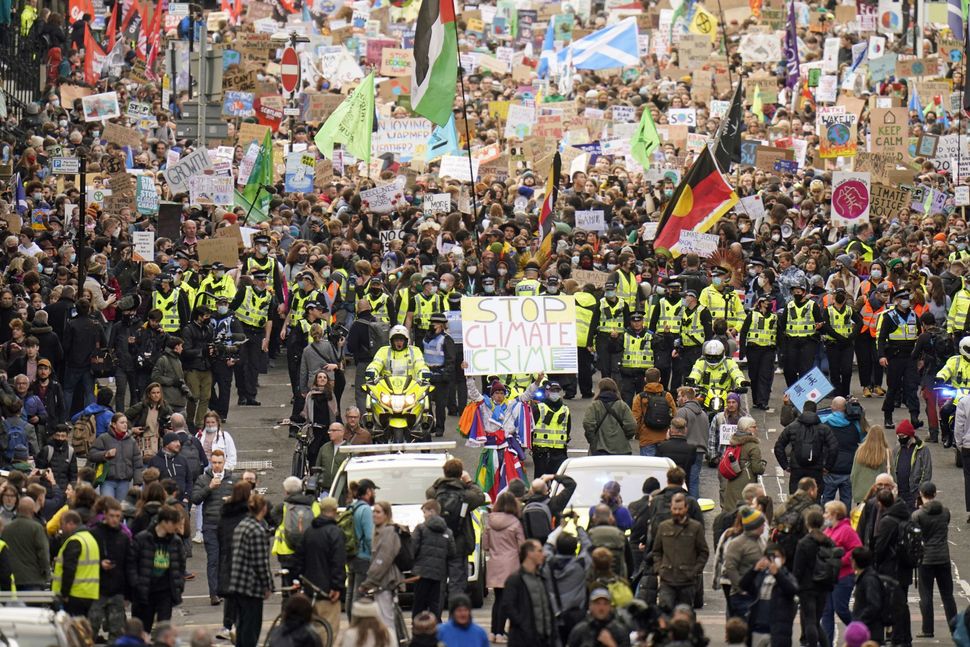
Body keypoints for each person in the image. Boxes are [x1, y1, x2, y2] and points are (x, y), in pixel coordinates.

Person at [425, 458, 486, 596]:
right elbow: (480, 496)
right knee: (457, 584)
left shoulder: (435, 493)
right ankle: (455, 614)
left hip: (439, 541)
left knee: (438, 585)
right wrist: (469, 481)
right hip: (459, 542)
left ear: (444, 473)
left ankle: (437, 615)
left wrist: (441, 481)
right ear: (460, 474)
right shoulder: (466, 495)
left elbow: (429, 491)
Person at [127, 505, 186, 634]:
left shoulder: (175, 542)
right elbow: (131, 563)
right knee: (143, 630)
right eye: (174, 523)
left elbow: (181, 565)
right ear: (164, 522)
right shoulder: (143, 539)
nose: (176, 527)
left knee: (163, 630)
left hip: (165, 592)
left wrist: (179, 585)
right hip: (146, 591)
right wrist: (136, 584)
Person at [227, 494, 274, 647]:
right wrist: (268, 585)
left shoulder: (242, 525)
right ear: (264, 509)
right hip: (251, 586)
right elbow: (261, 563)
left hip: (237, 583)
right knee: (251, 629)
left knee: (242, 627)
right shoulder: (258, 531)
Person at [912, 481, 957, 637]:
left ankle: (928, 629)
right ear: (935, 494)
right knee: (948, 595)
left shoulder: (918, 515)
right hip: (943, 556)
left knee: (926, 595)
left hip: (926, 559)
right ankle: (955, 628)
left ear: (921, 494)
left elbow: (916, 536)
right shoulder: (945, 512)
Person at [190, 448, 235, 606]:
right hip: (210, 524)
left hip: (227, 526)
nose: (216, 466)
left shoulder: (232, 479)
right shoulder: (203, 479)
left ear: (224, 462)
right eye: (214, 463)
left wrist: (233, 500)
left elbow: (242, 500)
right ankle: (213, 594)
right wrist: (209, 487)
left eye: (219, 463)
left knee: (225, 559)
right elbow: (195, 499)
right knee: (213, 560)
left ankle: (224, 590)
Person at [651, 492, 709, 612]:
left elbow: (703, 552)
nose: (677, 512)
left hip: (687, 581)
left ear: (686, 508)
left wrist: (695, 571)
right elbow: (656, 551)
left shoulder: (695, 527)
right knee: (665, 613)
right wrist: (659, 569)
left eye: (680, 509)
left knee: (685, 616)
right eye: (674, 509)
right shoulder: (663, 527)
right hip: (667, 580)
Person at [482, 491, 523, 641]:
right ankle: (500, 633)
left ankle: (493, 631)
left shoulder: (490, 522)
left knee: (497, 600)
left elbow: (486, 545)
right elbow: (522, 546)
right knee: (507, 601)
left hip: (494, 562)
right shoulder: (515, 522)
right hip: (511, 564)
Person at [773, 400, 837, 495]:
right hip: (816, 468)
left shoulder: (792, 427)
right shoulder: (824, 429)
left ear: (803, 410)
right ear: (816, 411)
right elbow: (834, 447)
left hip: (797, 468)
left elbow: (779, 446)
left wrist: (785, 465)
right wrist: (828, 466)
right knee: (815, 497)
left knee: (796, 497)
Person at [820, 501, 862, 647]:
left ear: (835, 514)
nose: (824, 515)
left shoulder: (846, 530)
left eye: (826, 512)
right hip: (829, 577)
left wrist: (841, 560)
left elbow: (857, 549)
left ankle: (859, 633)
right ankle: (827, 643)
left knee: (841, 609)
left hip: (843, 576)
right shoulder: (828, 530)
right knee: (827, 612)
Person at [792, 509, 836, 647]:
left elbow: (798, 567)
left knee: (810, 621)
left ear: (807, 523)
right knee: (817, 621)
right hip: (823, 584)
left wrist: (795, 584)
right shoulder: (828, 541)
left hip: (807, 586)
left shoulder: (804, 543)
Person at [88, 497, 130, 642]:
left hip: (116, 590)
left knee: (117, 633)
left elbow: (127, 566)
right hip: (97, 590)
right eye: (112, 516)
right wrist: (99, 563)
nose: (114, 520)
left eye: (118, 517)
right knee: (90, 631)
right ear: (105, 514)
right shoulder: (94, 534)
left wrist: (127, 595)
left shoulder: (123, 538)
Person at [741, 543, 799, 647]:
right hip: (757, 628)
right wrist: (754, 570)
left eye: (776, 557)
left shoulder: (786, 576)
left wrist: (777, 574)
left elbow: (792, 590)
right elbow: (744, 585)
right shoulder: (760, 576)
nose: (772, 560)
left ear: (783, 559)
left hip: (778, 631)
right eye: (769, 557)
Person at [360, 500, 402, 644]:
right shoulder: (379, 532)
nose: (374, 515)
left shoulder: (388, 533)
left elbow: (383, 560)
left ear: (386, 514)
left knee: (387, 623)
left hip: (386, 582)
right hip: (380, 584)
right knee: (382, 621)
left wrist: (368, 581)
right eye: (373, 512)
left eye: (378, 512)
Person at [501, 539, 557, 647]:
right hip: (523, 639)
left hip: (544, 640)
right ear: (529, 553)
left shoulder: (541, 578)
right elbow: (508, 606)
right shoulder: (515, 580)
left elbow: (546, 608)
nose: (543, 554)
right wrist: (524, 625)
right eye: (540, 551)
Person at [411, 499, 455, 622]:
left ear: (431, 512)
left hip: (421, 572)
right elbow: (452, 552)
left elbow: (413, 549)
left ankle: (418, 629)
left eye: (424, 512)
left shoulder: (420, 528)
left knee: (419, 604)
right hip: (438, 573)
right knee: (435, 603)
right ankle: (435, 630)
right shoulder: (448, 531)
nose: (423, 515)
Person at [51, 509, 100, 616]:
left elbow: (69, 569)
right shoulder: (90, 539)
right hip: (90, 593)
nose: (61, 529)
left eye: (62, 525)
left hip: (74, 594)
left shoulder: (75, 541)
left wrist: (64, 594)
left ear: (70, 524)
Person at [721, 506, 766, 619]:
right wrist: (739, 589)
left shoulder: (760, 541)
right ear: (755, 526)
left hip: (757, 594)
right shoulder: (737, 543)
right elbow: (730, 567)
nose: (765, 526)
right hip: (743, 597)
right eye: (762, 524)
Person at [88, 413, 143, 501]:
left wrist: (137, 482)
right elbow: (91, 454)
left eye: (126, 422)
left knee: (120, 509)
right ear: (114, 424)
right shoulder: (104, 438)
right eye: (122, 422)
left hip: (124, 482)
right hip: (107, 481)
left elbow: (138, 463)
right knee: (107, 506)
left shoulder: (132, 441)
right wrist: (105, 454)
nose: (125, 425)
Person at [819, 397, 863, 506]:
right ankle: (845, 522)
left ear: (831, 407)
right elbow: (862, 438)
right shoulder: (854, 424)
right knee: (846, 501)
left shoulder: (824, 423)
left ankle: (827, 522)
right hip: (848, 468)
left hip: (829, 468)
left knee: (827, 500)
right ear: (846, 408)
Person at [719, 416, 765, 510]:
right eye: (754, 427)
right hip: (746, 482)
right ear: (747, 428)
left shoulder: (734, 442)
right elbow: (757, 468)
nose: (756, 429)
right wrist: (762, 466)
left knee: (731, 508)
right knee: (745, 509)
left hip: (732, 481)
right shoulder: (753, 446)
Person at [739, 295, 777, 409]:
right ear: (761, 303)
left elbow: (778, 334)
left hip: (768, 350)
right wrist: (742, 350)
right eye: (766, 302)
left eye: (770, 302)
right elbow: (744, 332)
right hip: (753, 349)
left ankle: (763, 401)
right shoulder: (752, 315)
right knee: (754, 376)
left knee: (765, 376)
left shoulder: (774, 317)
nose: (769, 304)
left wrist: (780, 351)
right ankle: (756, 400)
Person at [583, 378, 637, 455]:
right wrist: (626, 437)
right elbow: (631, 425)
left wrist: (592, 440)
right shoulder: (622, 405)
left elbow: (588, 423)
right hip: (621, 449)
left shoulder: (594, 405)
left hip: (600, 449)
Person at [347, 479, 377, 617]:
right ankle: (357, 624)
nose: (374, 494)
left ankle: (351, 620)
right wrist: (375, 555)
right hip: (363, 556)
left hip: (352, 554)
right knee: (360, 594)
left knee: (351, 592)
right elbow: (370, 536)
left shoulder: (352, 507)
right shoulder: (365, 510)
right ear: (368, 491)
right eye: (374, 491)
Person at [423, 312, 455, 438]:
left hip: (441, 375)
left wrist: (446, 375)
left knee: (441, 405)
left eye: (435, 323)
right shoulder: (426, 338)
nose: (433, 325)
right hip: (427, 374)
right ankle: (430, 425)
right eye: (432, 323)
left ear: (442, 326)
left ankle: (440, 428)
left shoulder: (446, 339)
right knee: (426, 404)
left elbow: (451, 359)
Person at [529, 380, 571, 478]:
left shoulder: (565, 409)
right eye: (552, 391)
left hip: (559, 452)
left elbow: (567, 429)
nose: (555, 393)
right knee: (541, 482)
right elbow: (531, 429)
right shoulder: (538, 408)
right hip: (541, 453)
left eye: (557, 391)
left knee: (558, 482)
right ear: (546, 392)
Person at [631, 367, 676, 457]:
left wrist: (637, 434)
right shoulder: (667, 396)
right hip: (664, 438)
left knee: (648, 468)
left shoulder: (640, 397)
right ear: (659, 379)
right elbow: (674, 415)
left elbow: (636, 419)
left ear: (645, 379)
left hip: (646, 438)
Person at [565, 588, 632, 647]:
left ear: (610, 607)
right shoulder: (579, 630)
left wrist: (611, 644)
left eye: (605, 604)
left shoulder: (620, 631)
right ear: (590, 606)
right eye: (597, 603)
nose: (601, 608)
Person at [365, 324, 430, 384]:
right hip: (387, 388)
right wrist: (371, 371)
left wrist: (424, 373)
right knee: (371, 395)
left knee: (424, 395)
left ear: (406, 341)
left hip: (411, 387)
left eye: (401, 340)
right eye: (396, 340)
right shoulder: (384, 351)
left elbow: (420, 364)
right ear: (391, 341)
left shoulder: (414, 351)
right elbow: (376, 363)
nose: (399, 343)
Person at [891, 418, 932, 508]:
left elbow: (927, 471)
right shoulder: (897, 449)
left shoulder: (923, 449)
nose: (900, 439)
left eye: (902, 436)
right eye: (899, 437)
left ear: (910, 435)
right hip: (899, 492)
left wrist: (919, 491)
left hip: (913, 493)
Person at [676, 386, 709, 498]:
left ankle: (690, 508)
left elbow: (677, 431)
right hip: (700, 451)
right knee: (694, 480)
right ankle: (694, 506)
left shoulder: (682, 411)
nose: (677, 399)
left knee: (683, 481)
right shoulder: (704, 414)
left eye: (679, 396)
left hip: (686, 451)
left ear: (685, 397)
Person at [851, 547, 887, 644]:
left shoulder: (869, 579)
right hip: (868, 629)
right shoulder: (865, 577)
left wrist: (860, 620)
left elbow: (874, 605)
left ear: (855, 562)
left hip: (870, 631)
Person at [151, 337, 192, 415]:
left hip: (179, 401)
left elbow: (180, 380)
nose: (182, 349)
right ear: (176, 347)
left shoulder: (178, 361)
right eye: (181, 346)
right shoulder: (163, 360)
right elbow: (155, 377)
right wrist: (172, 381)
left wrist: (189, 394)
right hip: (169, 401)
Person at [146, 432, 191, 501]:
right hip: (161, 502)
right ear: (166, 444)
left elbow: (189, 480)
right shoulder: (154, 461)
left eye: (179, 442)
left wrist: (186, 497)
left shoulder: (183, 460)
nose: (178, 444)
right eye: (175, 441)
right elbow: (150, 482)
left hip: (181, 502)